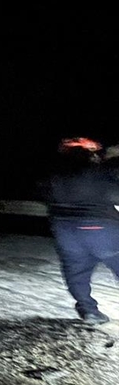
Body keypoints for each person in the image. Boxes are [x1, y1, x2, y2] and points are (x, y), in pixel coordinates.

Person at [43, 137, 119, 325]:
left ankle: (89, 311)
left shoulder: (53, 176)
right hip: (101, 230)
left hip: (65, 231)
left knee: (76, 272)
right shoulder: (101, 173)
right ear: (90, 155)